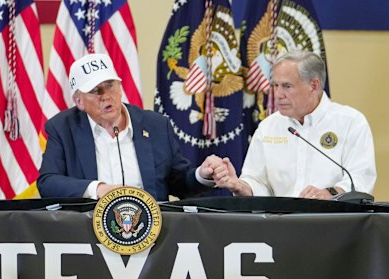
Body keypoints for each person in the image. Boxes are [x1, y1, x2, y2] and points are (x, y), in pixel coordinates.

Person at [37, 53, 219, 201]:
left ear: (120, 87)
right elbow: (48, 182)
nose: (106, 96)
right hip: (89, 233)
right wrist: (98, 189)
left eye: (110, 86)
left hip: (153, 233)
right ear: (79, 101)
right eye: (95, 91)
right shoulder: (62, 129)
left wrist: (202, 175)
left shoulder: (155, 125)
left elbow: (179, 182)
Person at [212, 50, 376, 199]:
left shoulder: (350, 122)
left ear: (313, 85)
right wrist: (239, 185)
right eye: (275, 85)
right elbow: (257, 181)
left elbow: (360, 179)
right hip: (279, 224)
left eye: (287, 86)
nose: (278, 94)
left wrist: (329, 193)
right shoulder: (268, 126)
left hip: (332, 222)